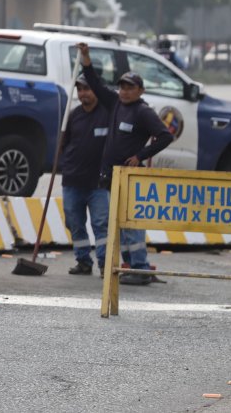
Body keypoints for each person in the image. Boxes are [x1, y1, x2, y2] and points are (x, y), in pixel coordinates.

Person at [78, 42, 174, 286]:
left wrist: (140, 155)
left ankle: (140, 267)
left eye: (130, 87)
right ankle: (130, 265)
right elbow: (95, 81)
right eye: (122, 86)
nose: (124, 91)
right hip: (112, 176)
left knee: (132, 224)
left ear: (140, 91)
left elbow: (165, 136)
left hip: (131, 177)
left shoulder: (143, 112)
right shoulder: (116, 103)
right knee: (120, 224)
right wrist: (86, 56)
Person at [58, 74, 112, 277]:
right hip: (72, 181)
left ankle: (105, 265)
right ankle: (83, 261)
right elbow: (64, 144)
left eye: (87, 89)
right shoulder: (73, 115)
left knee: (101, 225)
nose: (83, 94)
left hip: (98, 183)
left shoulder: (108, 114)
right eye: (80, 90)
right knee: (75, 224)